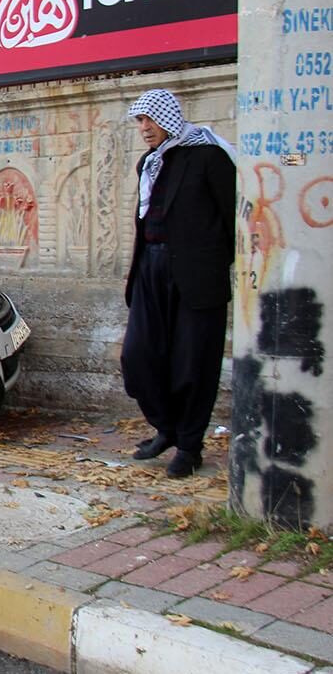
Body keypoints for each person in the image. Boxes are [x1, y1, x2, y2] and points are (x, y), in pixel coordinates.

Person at [120, 89, 236, 478]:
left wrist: (215, 265)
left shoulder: (208, 157)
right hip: (150, 270)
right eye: (139, 121)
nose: (144, 128)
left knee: (192, 364)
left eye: (149, 120)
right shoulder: (148, 164)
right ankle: (165, 428)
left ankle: (189, 445)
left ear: (168, 119)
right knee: (138, 357)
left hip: (196, 276)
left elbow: (232, 216)